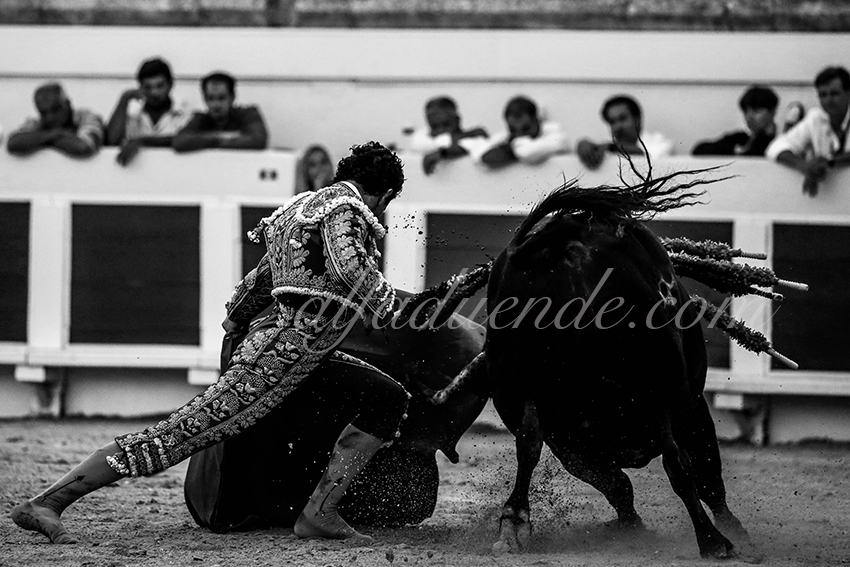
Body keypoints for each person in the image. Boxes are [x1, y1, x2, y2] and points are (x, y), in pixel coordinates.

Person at [11, 141, 410, 544]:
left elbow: (261, 280)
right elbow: (353, 270)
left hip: (302, 353)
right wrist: (398, 308)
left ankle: (320, 512)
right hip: (281, 356)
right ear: (387, 194)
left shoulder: (300, 208)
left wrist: (236, 321)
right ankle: (48, 502)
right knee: (179, 433)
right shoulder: (348, 210)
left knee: (386, 396)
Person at [766, 66, 850, 197]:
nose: (828, 100)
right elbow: (775, 147)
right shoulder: (816, 117)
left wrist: (828, 162)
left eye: (834, 93)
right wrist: (804, 166)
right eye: (823, 95)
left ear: (848, 93)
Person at [106, 57, 191, 166]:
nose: (154, 93)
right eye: (148, 87)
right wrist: (125, 98)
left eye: (160, 86)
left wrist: (142, 141)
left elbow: (182, 140)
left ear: (171, 84)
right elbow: (111, 142)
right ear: (140, 87)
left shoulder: (185, 113)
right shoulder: (132, 113)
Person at [173, 72, 268, 152]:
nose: (215, 105)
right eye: (210, 99)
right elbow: (179, 141)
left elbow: (258, 140)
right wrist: (222, 137)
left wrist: (205, 141)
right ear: (204, 99)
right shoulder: (201, 119)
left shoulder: (248, 115)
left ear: (232, 97)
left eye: (221, 98)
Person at [6, 83, 104, 158]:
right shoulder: (37, 123)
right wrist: (57, 134)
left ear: (68, 104)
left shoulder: (86, 117)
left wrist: (40, 139)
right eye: (44, 113)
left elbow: (84, 147)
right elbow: (13, 143)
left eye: (55, 110)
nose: (50, 117)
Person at [576, 94, 673, 170]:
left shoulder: (659, 142)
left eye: (622, 119)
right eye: (612, 122)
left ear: (637, 119)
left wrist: (610, 147)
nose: (617, 127)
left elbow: (647, 157)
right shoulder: (610, 148)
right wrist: (584, 145)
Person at [475, 95, 567, 169]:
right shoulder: (505, 136)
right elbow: (479, 154)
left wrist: (509, 149)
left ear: (537, 120)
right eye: (513, 130)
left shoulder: (554, 131)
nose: (519, 134)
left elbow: (527, 152)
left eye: (526, 128)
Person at [406, 96, 488, 175]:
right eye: (434, 126)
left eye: (446, 124)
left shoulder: (473, 135)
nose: (440, 130)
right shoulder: (425, 141)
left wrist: (442, 153)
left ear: (457, 120)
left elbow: (475, 139)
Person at [692, 85, 779, 156]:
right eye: (745, 112)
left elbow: (753, 153)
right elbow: (699, 149)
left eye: (756, 111)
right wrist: (737, 150)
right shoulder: (740, 138)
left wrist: (766, 135)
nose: (749, 117)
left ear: (772, 112)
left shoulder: (781, 142)